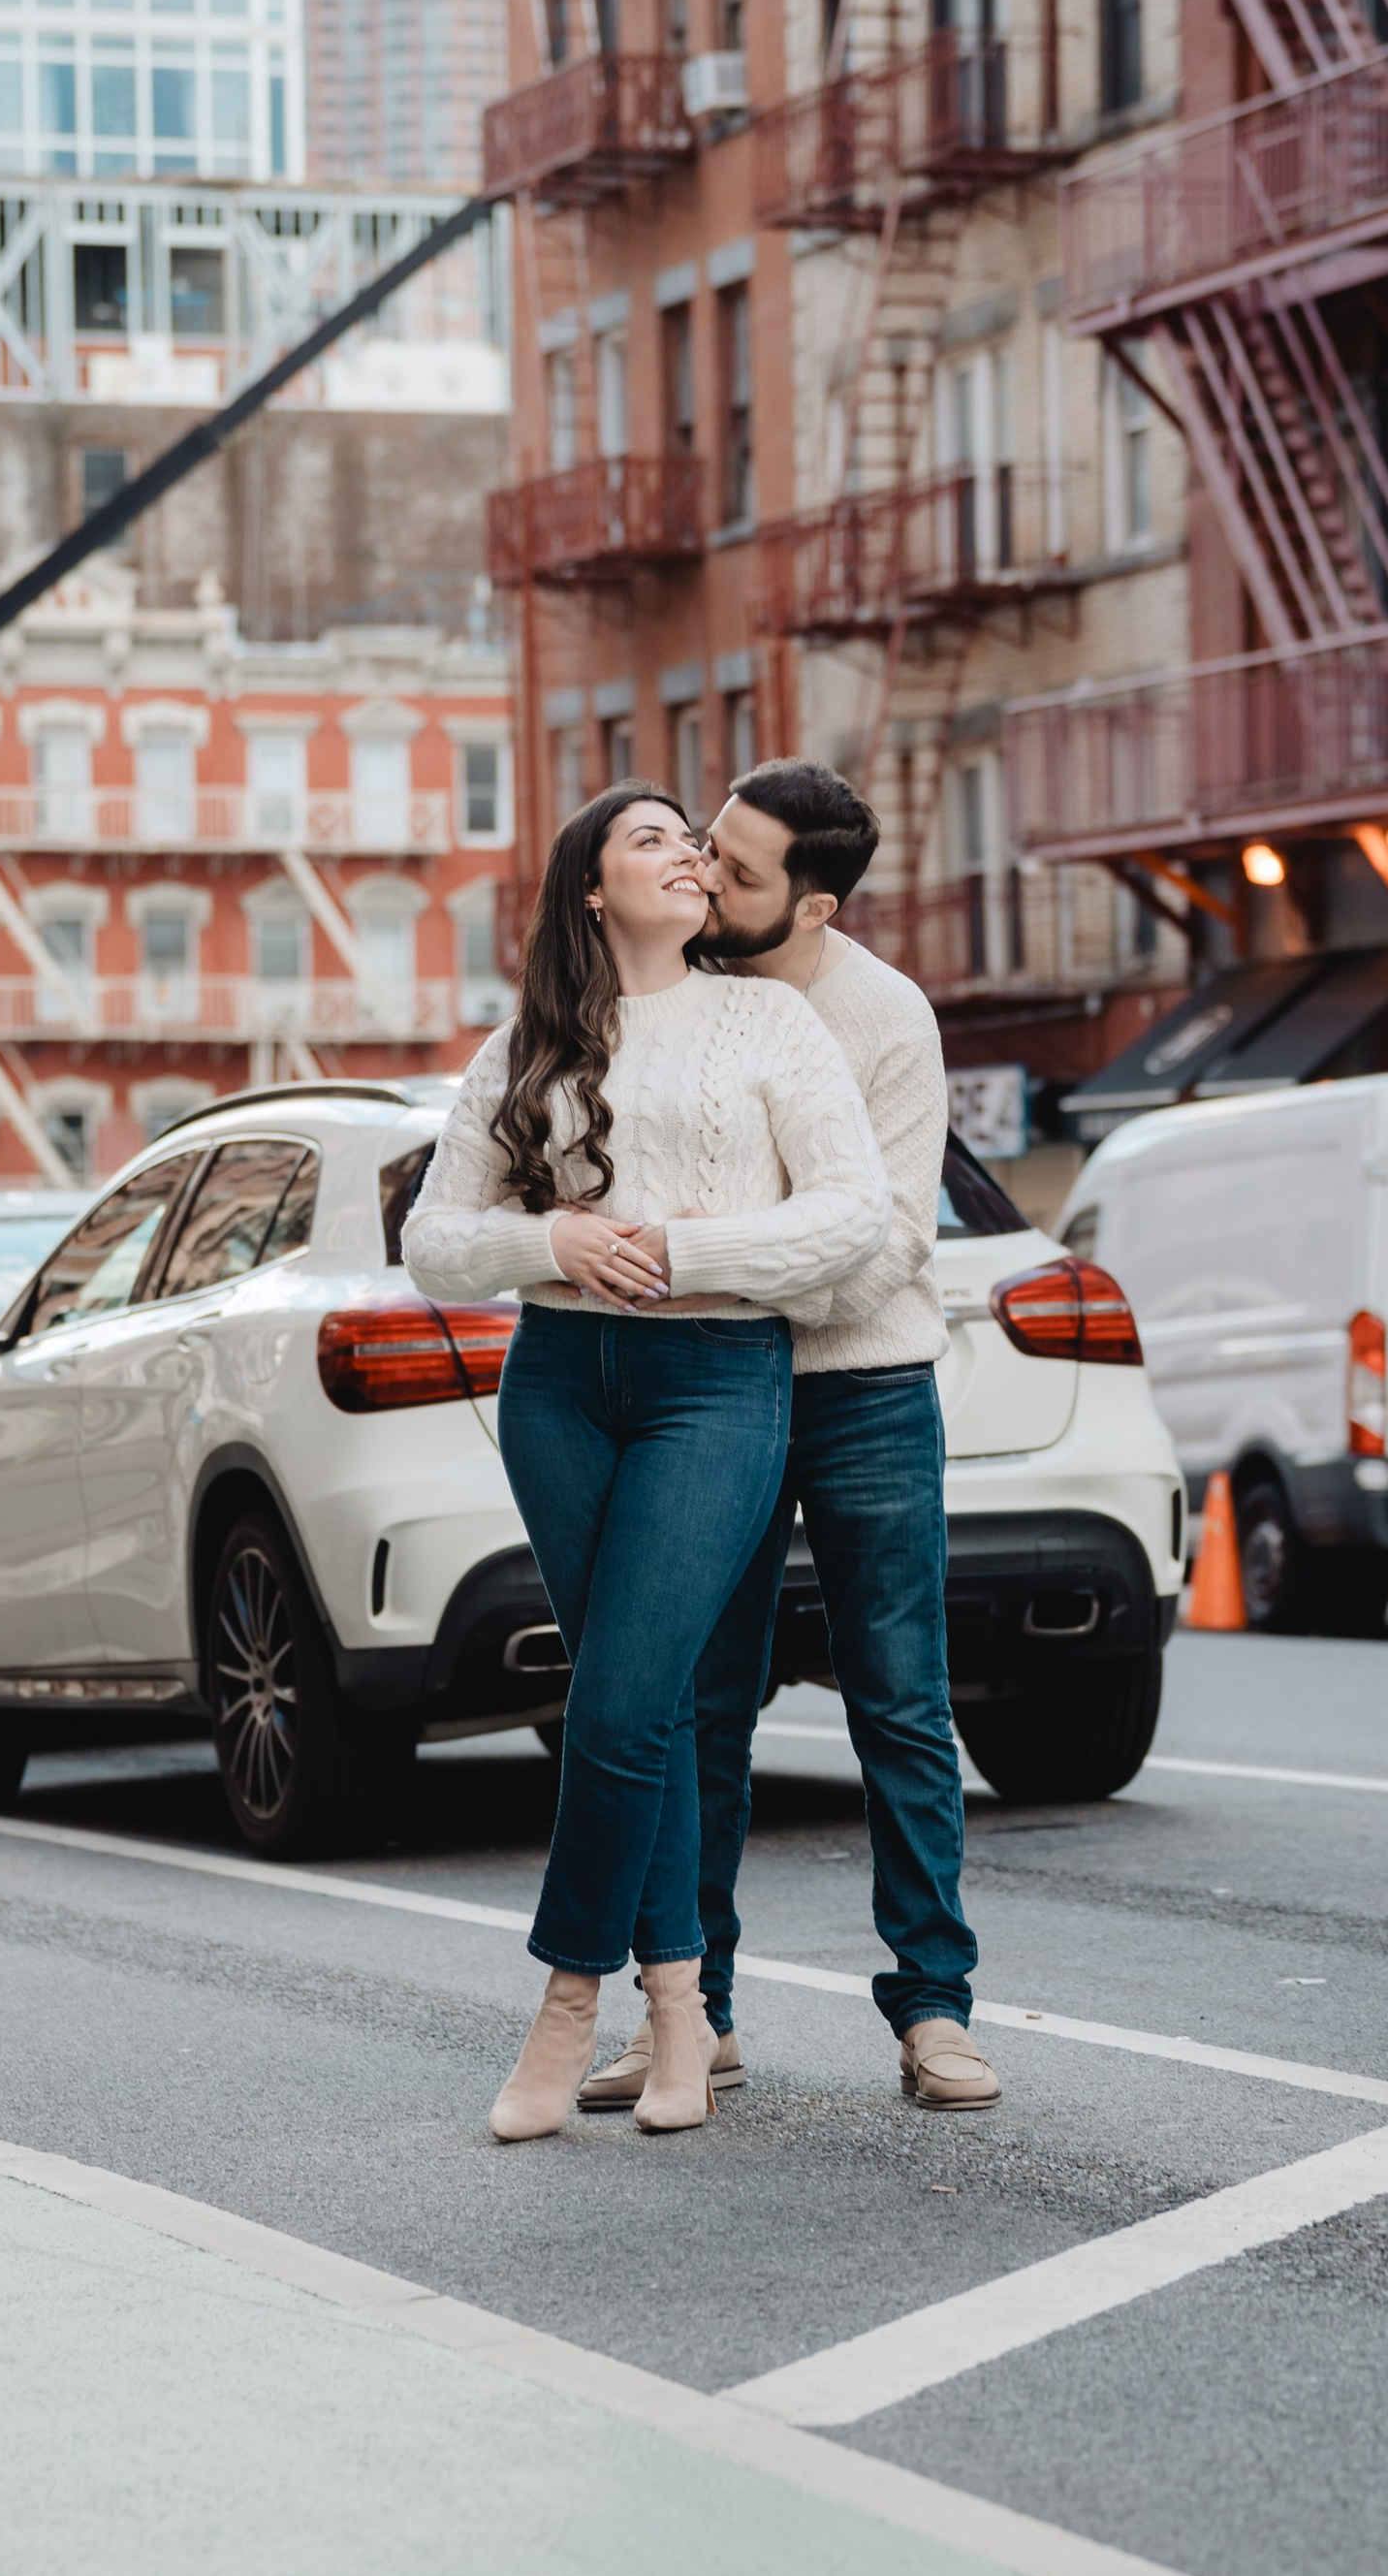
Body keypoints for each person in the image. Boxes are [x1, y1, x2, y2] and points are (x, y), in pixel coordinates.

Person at [403, 780, 891, 2144]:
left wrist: (682, 1252)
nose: (686, 854)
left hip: (716, 1380)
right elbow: (436, 1240)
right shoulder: (525, 1045)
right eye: (650, 839)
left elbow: (850, 1217)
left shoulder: (768, 1021)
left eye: (693, 840)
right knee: (651, 1705)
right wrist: (550, 1244)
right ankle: (679, 2010)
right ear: (592, 890)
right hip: (559, 1383)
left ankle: (565, 2004)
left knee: (618, 1703)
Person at [578, 760, 1000, 2117]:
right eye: (705, 845)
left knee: (900, 1702)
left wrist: (712, 1271)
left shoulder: (884, 1018)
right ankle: (693, 2018)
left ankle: (934, 2010)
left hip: (861, 1388)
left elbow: (889, 1247)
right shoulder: (672, 991)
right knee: (698, 1702)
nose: (705, 875)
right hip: (708, 1387)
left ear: (813, 906)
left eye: (740, 871)